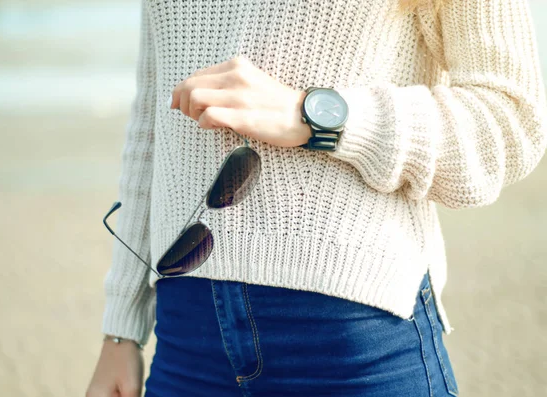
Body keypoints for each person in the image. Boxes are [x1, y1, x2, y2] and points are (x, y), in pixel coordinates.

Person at [86, 0, 547, 395]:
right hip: (186, 338)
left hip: (354, 338)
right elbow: (153, 123)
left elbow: (510, 122)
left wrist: (317, 115)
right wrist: (122, 328)